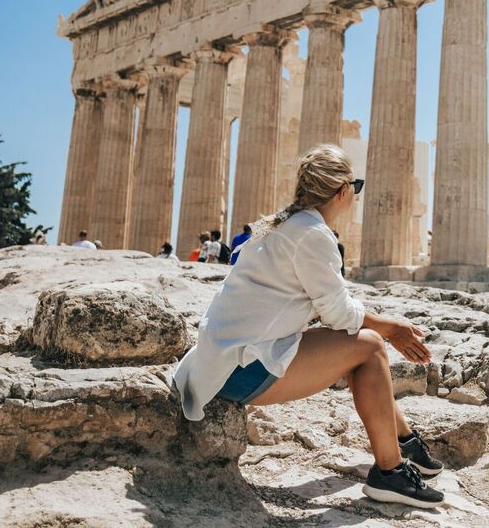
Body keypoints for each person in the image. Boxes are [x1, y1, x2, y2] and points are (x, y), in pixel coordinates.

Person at [172, 144, 444, 509]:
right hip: (237, 371)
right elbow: (339, 314)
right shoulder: (313, 234)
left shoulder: (282, 223)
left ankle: (404, 442)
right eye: (356, 188)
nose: (356, 196)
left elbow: (328, 308)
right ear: (343, 191)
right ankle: (391, 471)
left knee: (361, 342)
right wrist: (392, 329)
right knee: (370, 346)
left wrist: (381, 326)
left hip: (221, 361)